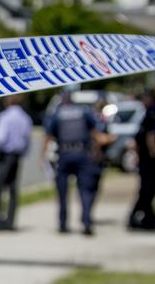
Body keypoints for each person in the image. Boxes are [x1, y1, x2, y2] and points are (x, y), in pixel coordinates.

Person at [44, 91, 99, 236]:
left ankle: (63, 224)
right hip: (82, 154)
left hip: (64, 154)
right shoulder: (83, 112)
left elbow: (49, 135)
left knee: (62, 192)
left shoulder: (57, 114)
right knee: (85, 190)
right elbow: (94, 131)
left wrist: (43, 155)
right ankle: (86, 222)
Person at [0, 95, 33, 231]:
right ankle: (10, 221)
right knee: (13, 190)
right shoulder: (25, 118)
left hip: (5, 155)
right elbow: (27, 140)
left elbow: (0, 138)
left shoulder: (4, 117)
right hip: (17, 156)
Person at [129, 90, 155, 230]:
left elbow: (151, 135)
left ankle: (143, 218)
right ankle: (144, 218)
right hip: (147, 159)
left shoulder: (153, 112)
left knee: (147, 189)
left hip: (148, 158)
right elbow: (148, 136)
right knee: (148, 189)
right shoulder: (151, 113)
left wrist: (153, 153)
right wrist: (153, 154)